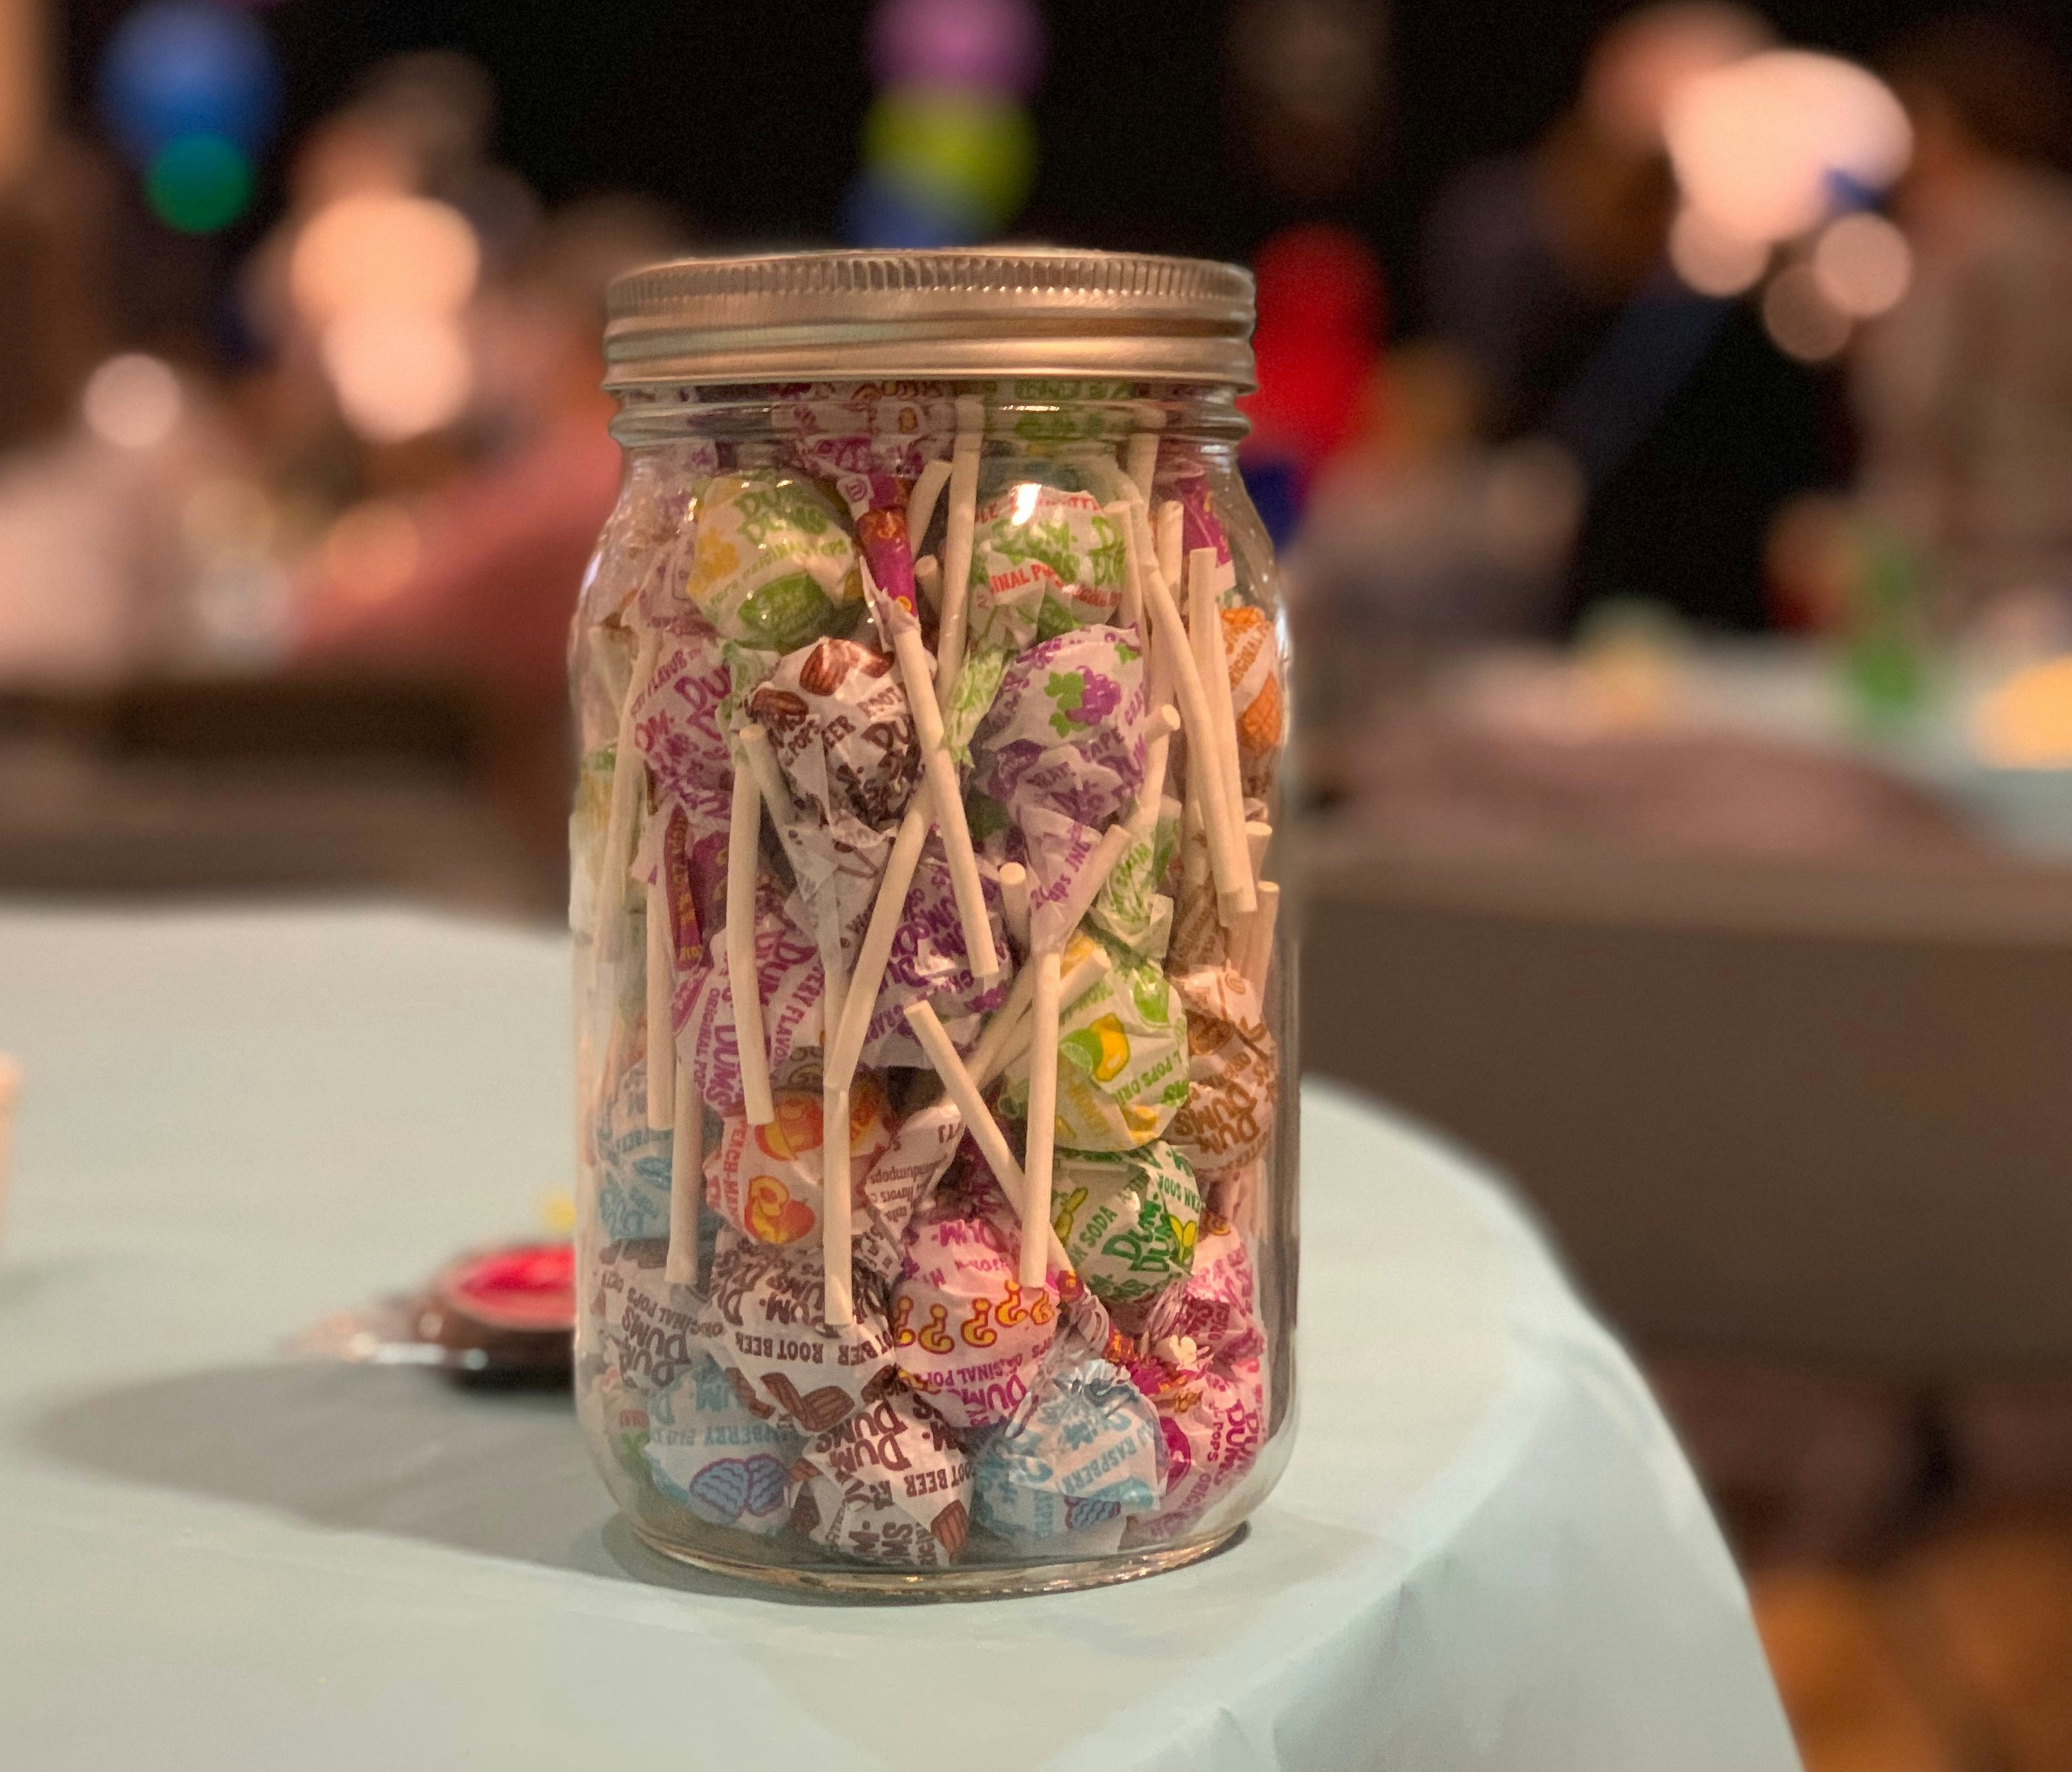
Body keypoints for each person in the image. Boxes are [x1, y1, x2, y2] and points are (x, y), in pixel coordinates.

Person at [1853, 16, 2072, 633]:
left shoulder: (1959, 229)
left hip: (1967, 551)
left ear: (1946, 122)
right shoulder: (2055, 218)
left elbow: (1914, 397)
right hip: (2055, 535)